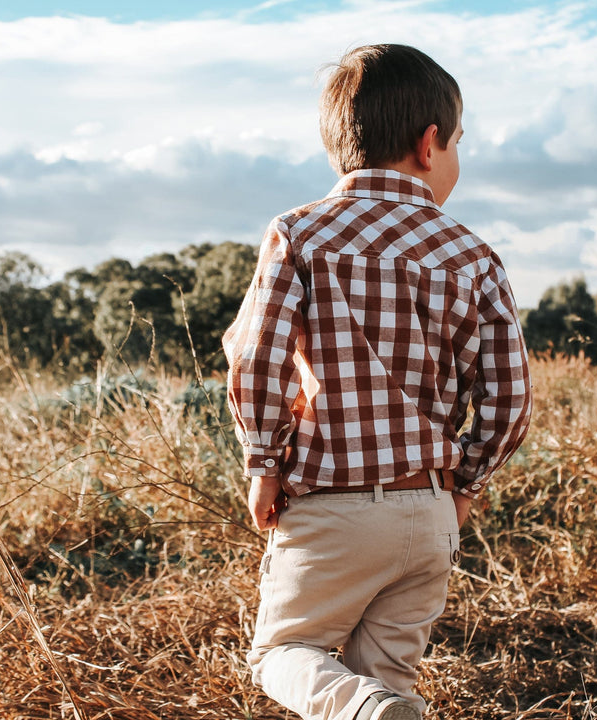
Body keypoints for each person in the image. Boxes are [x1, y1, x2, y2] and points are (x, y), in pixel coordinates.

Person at [223, 43, 532, 720]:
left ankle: (365, 708)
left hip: (329, 504)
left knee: (284, 652)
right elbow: (509, 398)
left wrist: (263, 464)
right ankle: (378, 705)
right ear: (430, 145)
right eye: (458, 145)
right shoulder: (474, 257)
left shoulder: (300, 235)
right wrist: (467, 484)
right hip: (426, 513)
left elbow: (255, 357)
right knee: (387, 679)